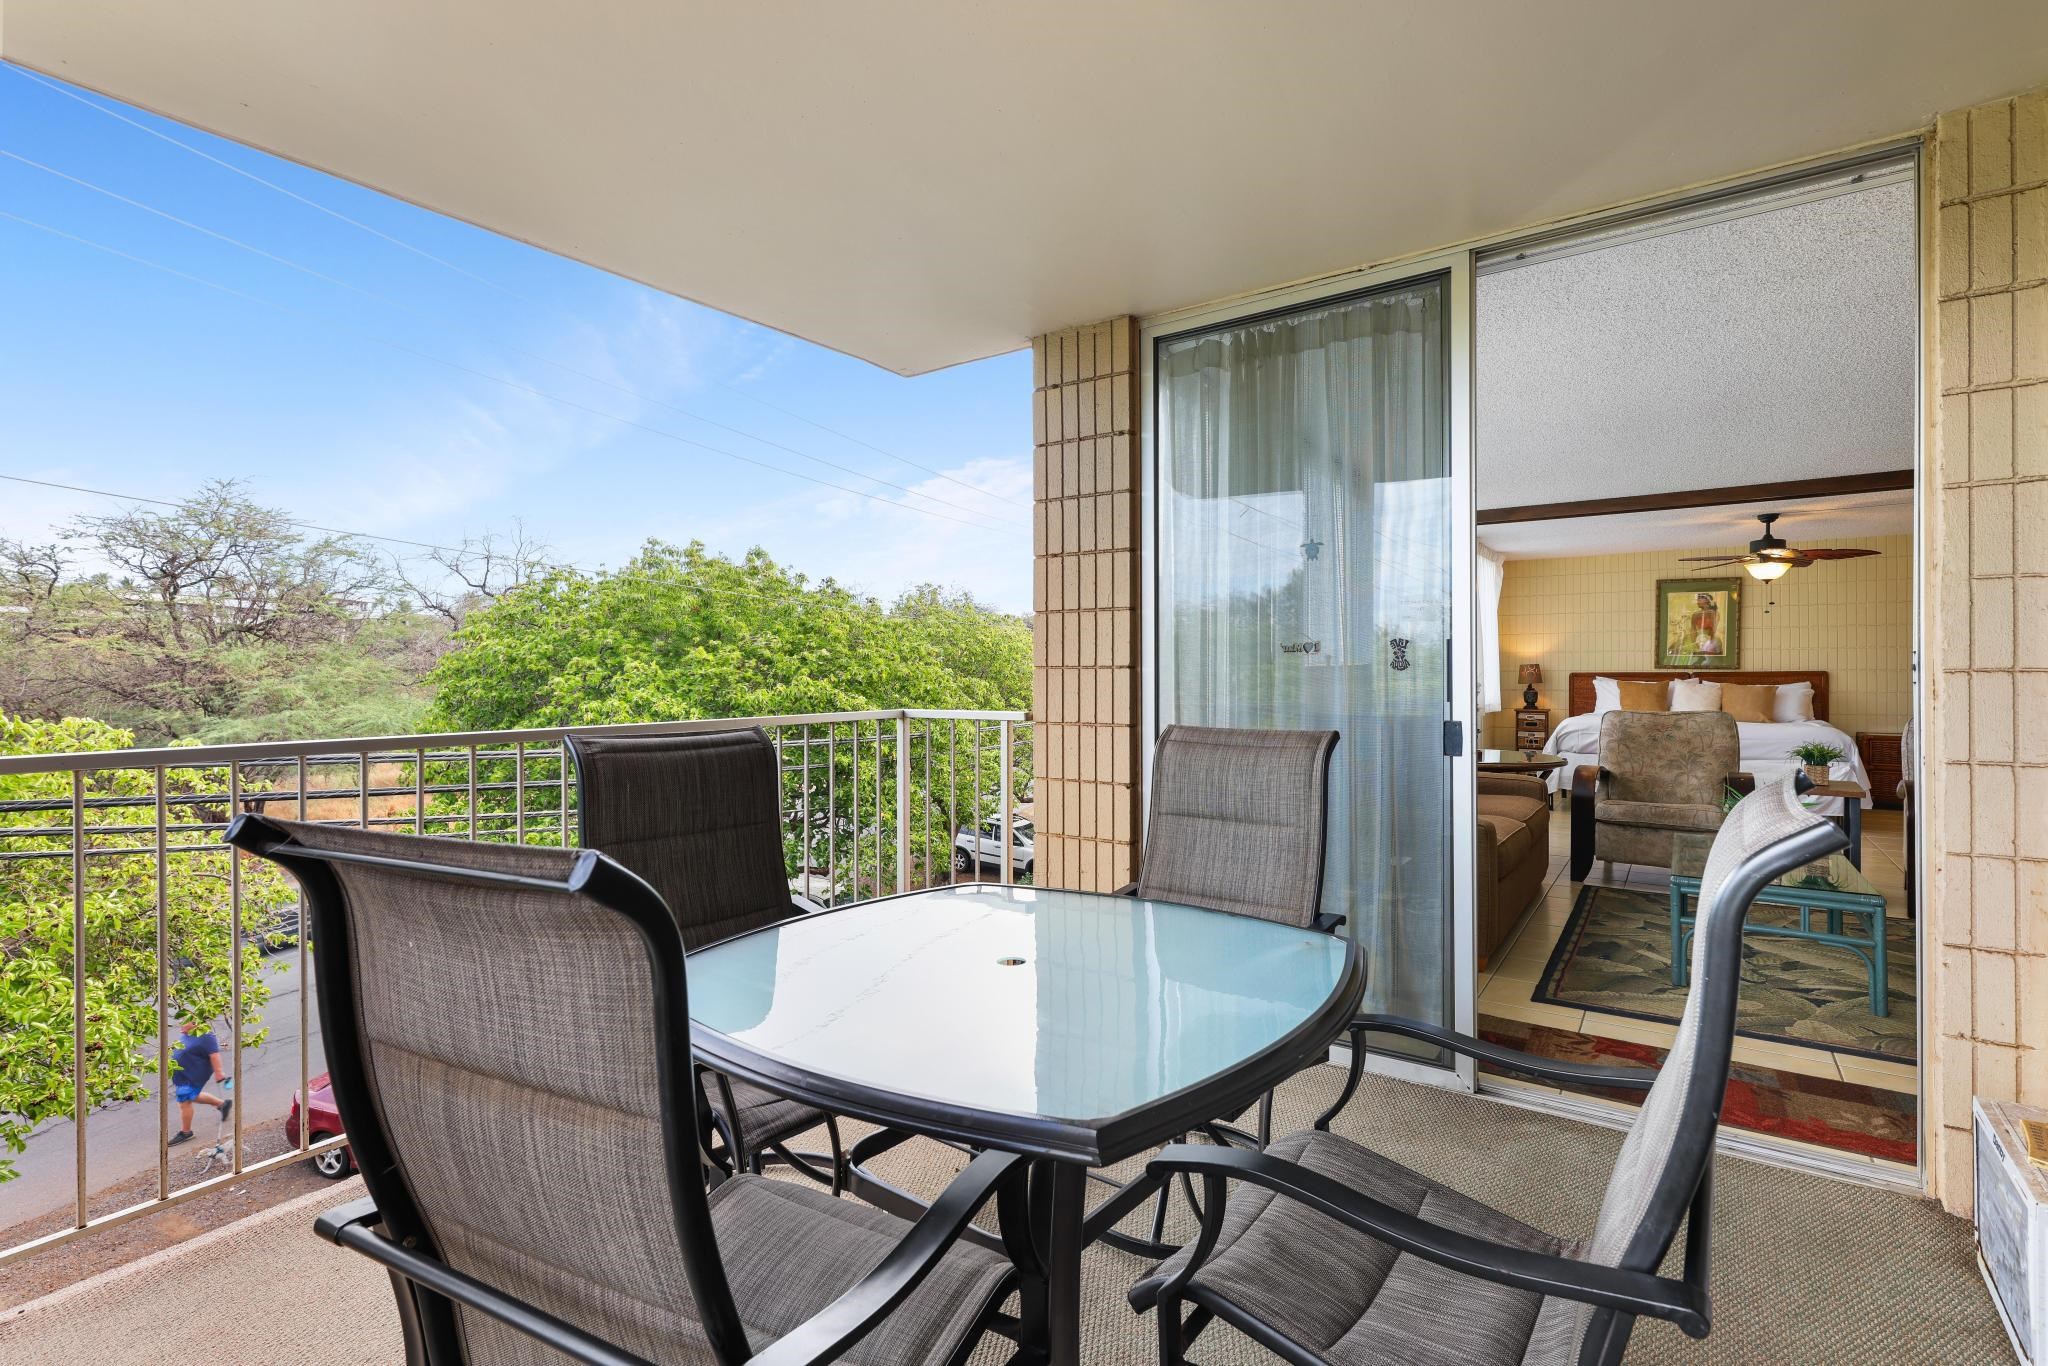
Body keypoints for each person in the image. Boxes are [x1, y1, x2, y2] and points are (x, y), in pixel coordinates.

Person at [168, 1017, 232, 1146]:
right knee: (193, 1096)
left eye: (183, 1024)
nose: (180, 1027)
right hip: (183, 1074)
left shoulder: (206, 1036)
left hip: (194, 1074)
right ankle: (222, 1104)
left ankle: (186, 1132)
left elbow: (214, 1055)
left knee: (184, 1100)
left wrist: (219, 1073)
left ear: (194, 1024)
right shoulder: (187, 1034)